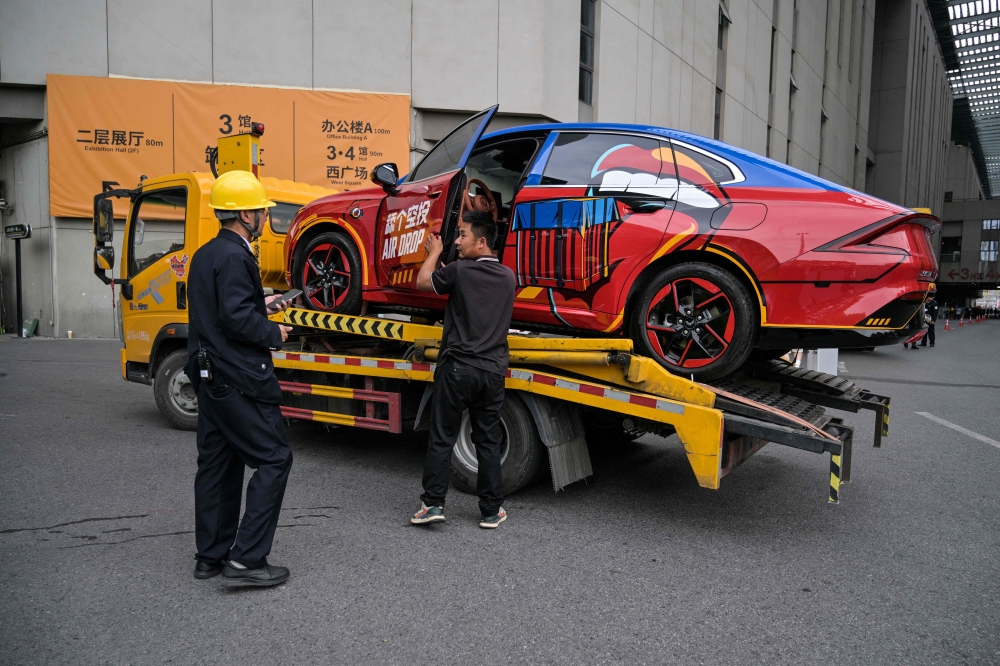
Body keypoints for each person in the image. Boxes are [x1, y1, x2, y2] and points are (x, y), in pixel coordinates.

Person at [185, 170, 295, 587]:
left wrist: (260, 302)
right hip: (239, 378)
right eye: (262, 211)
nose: (265, 217)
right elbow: (234, 318)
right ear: (246, 214)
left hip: (210, 375)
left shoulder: (207, 254)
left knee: (218, 463)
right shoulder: (236, 256)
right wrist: (273, 332)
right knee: (274, 458)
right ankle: (248, 560)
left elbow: (220, 309)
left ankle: (210, 557)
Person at [410, 210, 516, 529]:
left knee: (443, 438)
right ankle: (490, 511)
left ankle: (432, 505)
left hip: (458, 369)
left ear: (481, 242)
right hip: (492, 372)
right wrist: (452, 270)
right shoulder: (508, 277)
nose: (457, 241)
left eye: (463, 235)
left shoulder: (459, 271)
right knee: (487, 441)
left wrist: (435, 253)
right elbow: (475, 297)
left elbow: (423, 282)